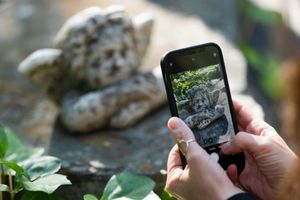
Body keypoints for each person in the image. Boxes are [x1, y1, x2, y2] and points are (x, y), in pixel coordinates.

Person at [165, 100, 298, 200]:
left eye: (202, 100)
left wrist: (221, 195)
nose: (199, 104)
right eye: (196, 102)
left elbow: (218, 110)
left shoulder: (214, 110)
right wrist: (290, 186)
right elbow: (190, 121)